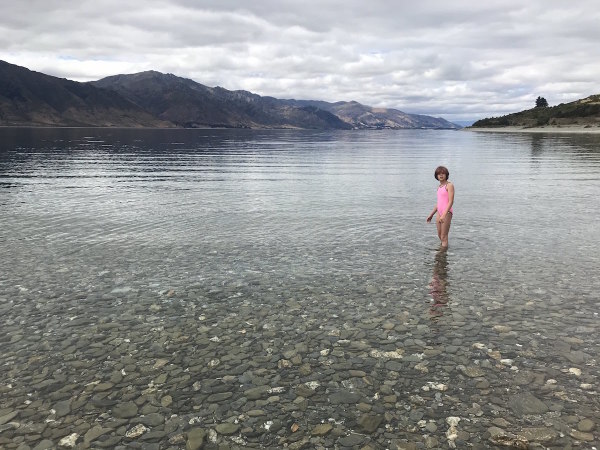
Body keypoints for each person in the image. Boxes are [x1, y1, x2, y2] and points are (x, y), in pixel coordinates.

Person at [426, 166, 454, 248]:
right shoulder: (439, 187)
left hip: (447, 212)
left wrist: (444, 214)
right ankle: (443, 251)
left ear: (446, 175)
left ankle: (442, 255)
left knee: (444, 236)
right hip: (439, 212)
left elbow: (451, 201)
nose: (441, 175)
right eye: (439, 174)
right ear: (436, 176)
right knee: (439, 235)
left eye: (443, 173)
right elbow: (439, 203)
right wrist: (431, 215)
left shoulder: (449, 185)